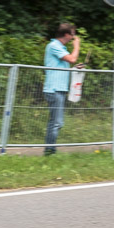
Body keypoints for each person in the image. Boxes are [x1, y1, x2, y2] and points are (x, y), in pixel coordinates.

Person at [41, 22, 81, 156]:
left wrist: (76, 68)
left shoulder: (61, 48)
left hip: (60, 89)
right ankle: (49, 150)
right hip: (53, 89)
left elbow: (67, 63)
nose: (73, 37)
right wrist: (77, 46)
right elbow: (73, 58)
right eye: (73, 35)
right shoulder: (53, 46)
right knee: (57, 122)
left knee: (55, 121)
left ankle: (50, 149)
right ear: (66, 34)